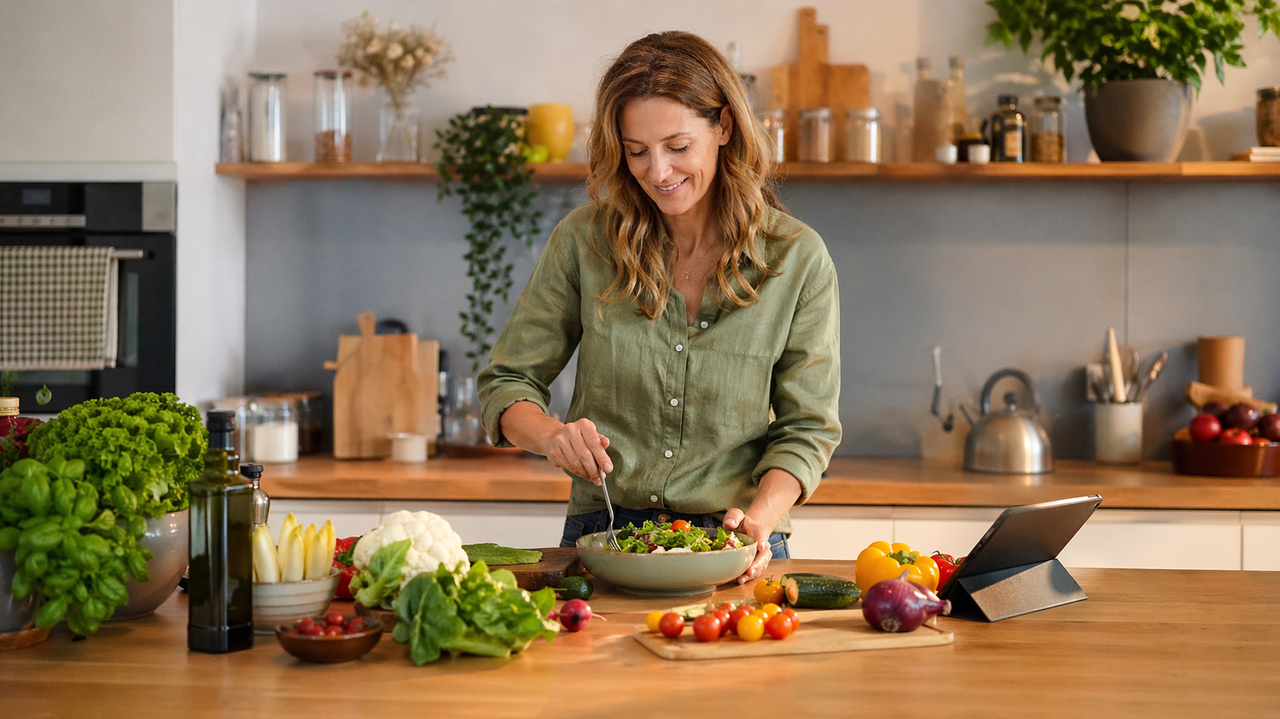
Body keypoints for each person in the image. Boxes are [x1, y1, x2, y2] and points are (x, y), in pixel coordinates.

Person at [477, 31, 840, 583]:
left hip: (735, 545)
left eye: (677, 146)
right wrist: (553, 436)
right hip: (605, 540)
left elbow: (807, 428)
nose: (658, 172)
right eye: (637, 151)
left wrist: (760, 522)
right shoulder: (584, 241)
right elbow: (507, 383)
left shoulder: (796, 258)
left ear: (723, 127)